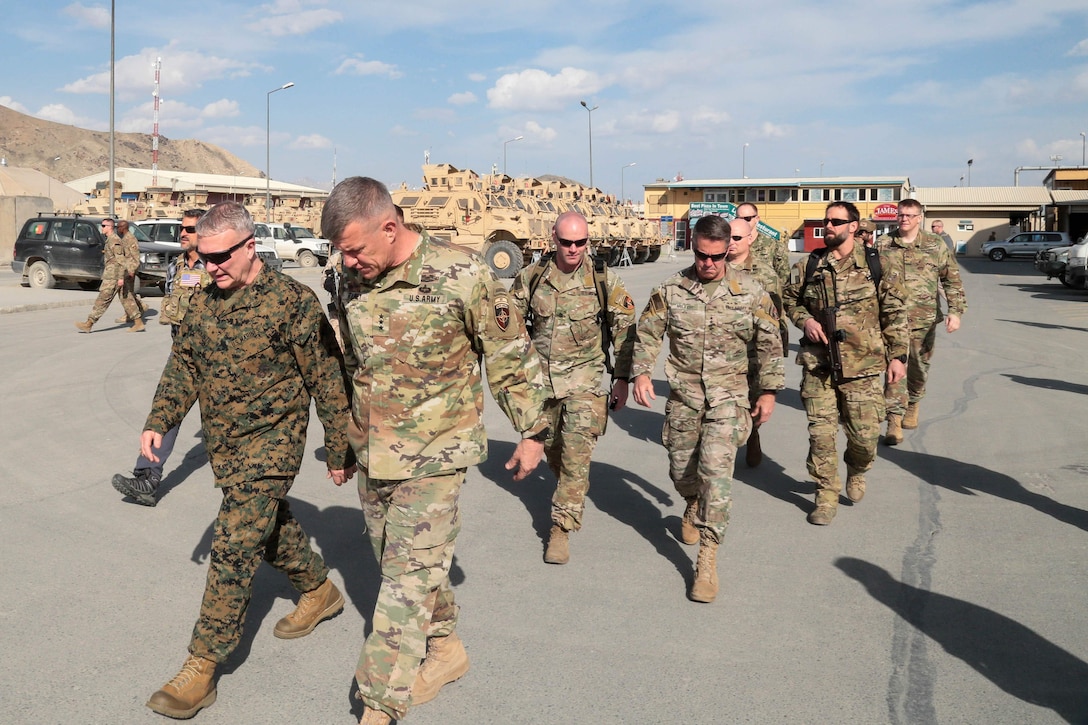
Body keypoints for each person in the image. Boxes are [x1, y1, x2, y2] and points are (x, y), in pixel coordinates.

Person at [320, 177, 549, 725]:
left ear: (390, 227)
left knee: (404, 580)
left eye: (355, 249)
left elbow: (510, 354)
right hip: (375, 450)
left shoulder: (463, 273)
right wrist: (344, 444)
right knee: (396, 561)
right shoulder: (352, 279)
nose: (348, 262)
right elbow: (354, 366)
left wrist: (532, 431)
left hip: (437, 453)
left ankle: (379, 705)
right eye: (341, 252)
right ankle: (445, 647)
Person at [137, 201, 355, 719]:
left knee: (234, 545)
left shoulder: (292, 303)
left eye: (220, 257)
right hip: (226, 443)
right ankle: (319, 590)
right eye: (203, 256)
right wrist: (159, 420)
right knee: (266, 527)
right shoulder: (201, 303)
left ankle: (201, 666)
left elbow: (327, 376)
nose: (211, 267)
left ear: (250, 246)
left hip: (273, 444)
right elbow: (183, 365)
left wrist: (340, 448)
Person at [630, 215, 784, 603]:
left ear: (727, 250)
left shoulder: (751, 292)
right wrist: (641, 374)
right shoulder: (671, 289)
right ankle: (691, 501)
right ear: (693, 247)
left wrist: (768, 392)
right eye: (701, 255)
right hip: (684, 396)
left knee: (716, 471)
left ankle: (707, 559)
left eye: (716, 257)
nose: (708, 264)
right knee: (682, 471)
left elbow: (770, 344)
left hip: (729, 397)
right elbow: (648, 333)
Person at [509, 210, 636, 564]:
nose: (574, 249)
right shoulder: (532, 278)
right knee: (555, 453)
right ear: (554, 238)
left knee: (576, 458)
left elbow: (625, 329)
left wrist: (622, 379)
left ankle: (561, 528)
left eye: (581, 242)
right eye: (567, 242)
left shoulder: (602, 280)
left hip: (586, 383)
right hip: (542, 387)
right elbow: (507, 327)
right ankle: (571, 489)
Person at [782, 202, 908, 525]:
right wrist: (805, 321)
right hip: (819, 365)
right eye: (826, 220)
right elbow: (788, 299)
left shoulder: (876, 264)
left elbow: (894, 312)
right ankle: (825, 495)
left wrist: (898, 356)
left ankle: (857, 467)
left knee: (865, 438)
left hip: (863, 366)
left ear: (853, 226)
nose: (829, 226)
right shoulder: (809, 265)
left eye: (836, 221)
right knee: (821, 435)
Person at [112, 209, 210, 506]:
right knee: (165, 411)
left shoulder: (217, 267)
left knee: (230, 425)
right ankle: (147, 478)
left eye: (189, 230)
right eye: (182, 229)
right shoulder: (177, 265)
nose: (182, 234)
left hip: (216, 359)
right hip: (182, 354)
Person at [877, 199, 967, 443]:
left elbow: (952, 279)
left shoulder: (934, 244)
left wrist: (955, 311)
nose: (903, 218)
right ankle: (893, 421)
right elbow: (871, 279)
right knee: (894, 368)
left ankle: (913, 402)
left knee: (918, 368)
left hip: (924, 319)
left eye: (909, 215)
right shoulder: (883, 243)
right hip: (891, 320)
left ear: (919, 217)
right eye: (900, 214)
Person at [724, 216, 786, 468]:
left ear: (750, 239)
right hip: (722, 350)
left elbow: (775, 320)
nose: (731, 243)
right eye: (727, 237)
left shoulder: (764, 274)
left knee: (752, 402)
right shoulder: (714, 265)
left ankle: (754, 435)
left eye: (737, 238)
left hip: (752, 350)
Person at [75, 217, 143, 332]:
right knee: (126, 299)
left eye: (103, 226)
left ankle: (89, 323)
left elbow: (121, 261)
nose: (101, 228)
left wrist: (121, 278)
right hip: (113, 275)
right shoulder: (110, 240)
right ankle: (138, 322)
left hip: (114, 276)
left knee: (103, 299)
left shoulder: (114, 241)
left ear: (110, 227)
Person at [735, 202, 789, 286]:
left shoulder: (774, 245)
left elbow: (784, 279)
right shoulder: (731, 245)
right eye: (739, 219)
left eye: (747, 218)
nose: (743, 222)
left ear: (757, 219)